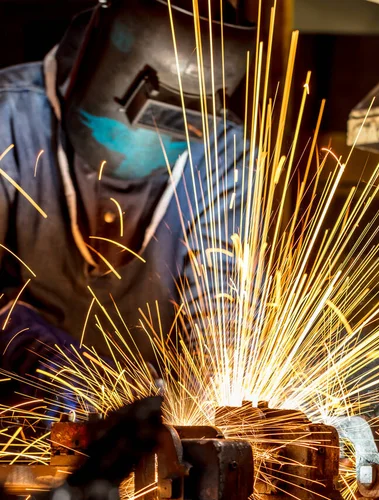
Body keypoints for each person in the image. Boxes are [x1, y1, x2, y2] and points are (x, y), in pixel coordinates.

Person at [0, 0, 254, 408]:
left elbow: (222, 297)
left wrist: (219, 396)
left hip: (152, 427)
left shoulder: (223, 150)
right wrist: (41, 357)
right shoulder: (8, 114)